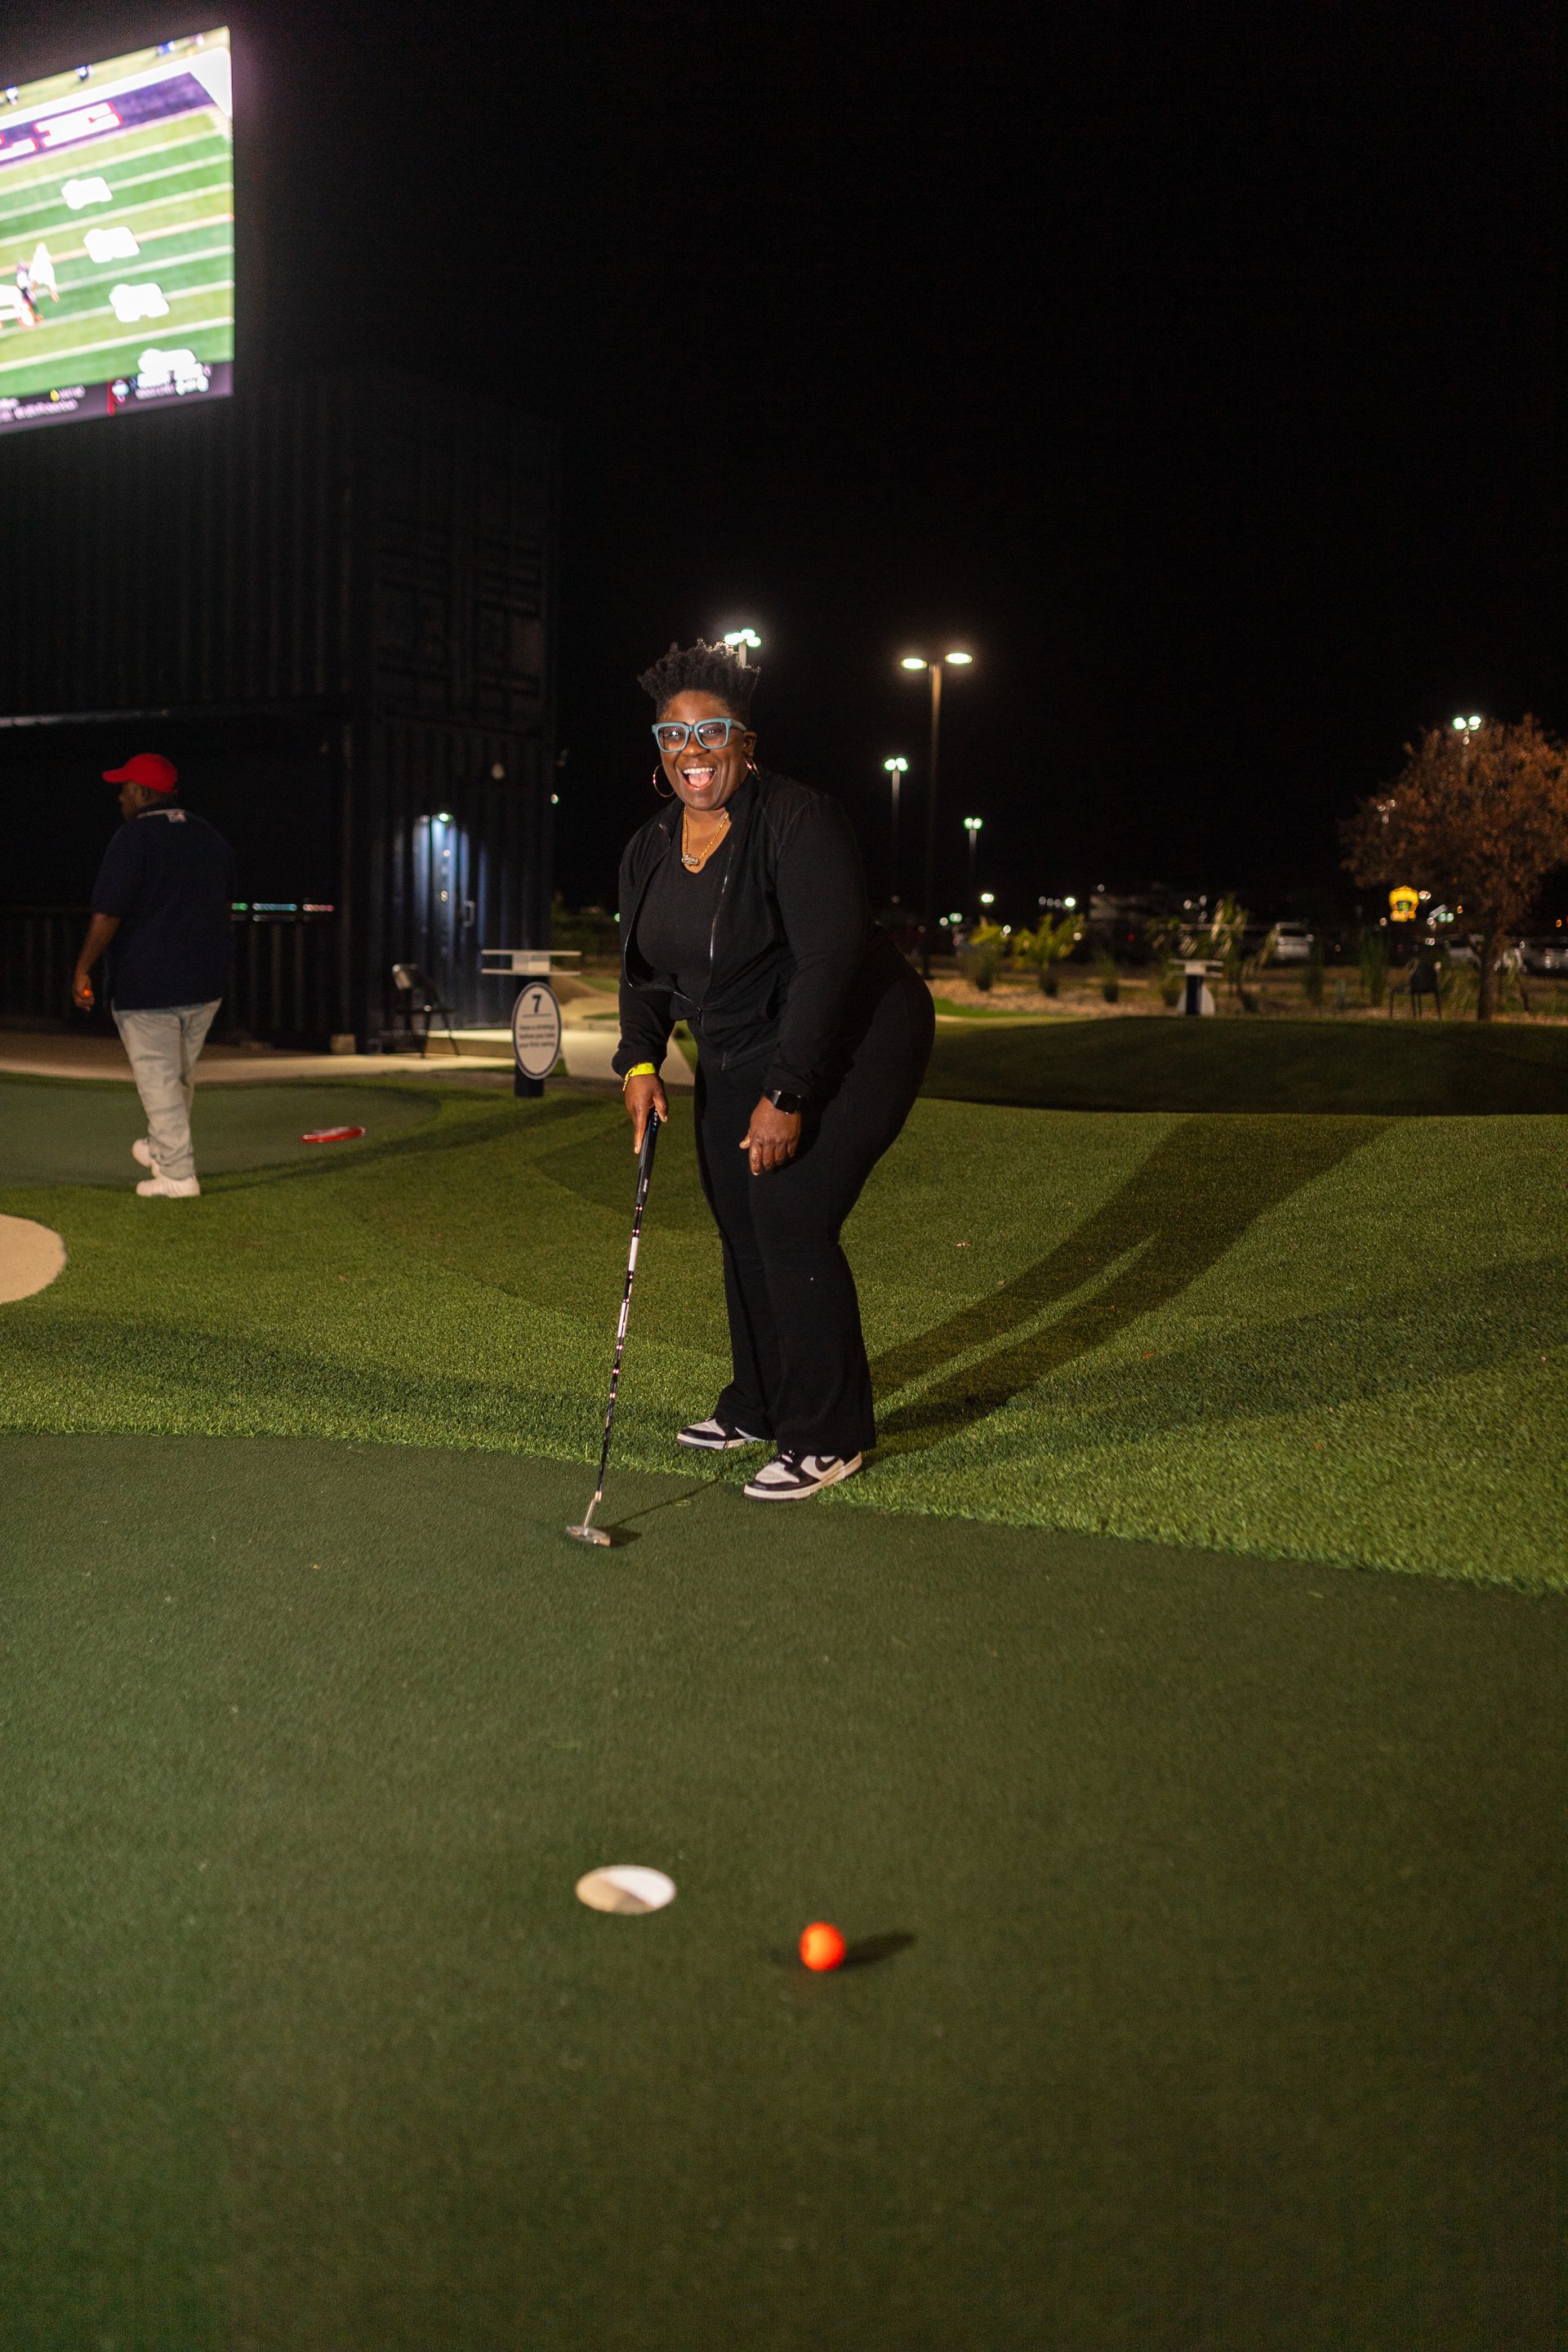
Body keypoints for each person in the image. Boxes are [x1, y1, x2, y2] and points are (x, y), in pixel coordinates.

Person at [616, 640, 934, 1502]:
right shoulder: (649, 849)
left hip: (853, 1036)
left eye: (712, 733)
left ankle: (828, 1435)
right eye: (674, 736)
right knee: (739, 1220)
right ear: (659, 749)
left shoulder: (800, 821)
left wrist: (788, 1094)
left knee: (789, 1214)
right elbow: (645, 973)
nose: (693, 752)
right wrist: (640, 1061)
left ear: (744, 743)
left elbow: (829, 966)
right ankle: (758, 1403)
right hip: (738, 1046)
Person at [72, 752, 237, 1200]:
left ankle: (178, 1175)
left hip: (146, 982)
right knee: (179, 1076)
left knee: (159, 1079)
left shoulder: (133, 838)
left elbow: (108, 914)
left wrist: (83, 967)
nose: (120, 796)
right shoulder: (209, 836)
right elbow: (224, 900)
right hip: (205, 981)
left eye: (124, 788)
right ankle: (163, 1149)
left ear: (143, 793)